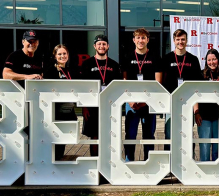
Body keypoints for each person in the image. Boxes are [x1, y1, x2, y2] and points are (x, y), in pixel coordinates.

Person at [120, 28, 163, 161]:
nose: (140, 40)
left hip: (149, 103)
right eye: (138, 38)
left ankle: (148, 162)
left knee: (149, 135)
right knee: (130, 134)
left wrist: (146, 102)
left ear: (147, 40)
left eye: (143, 38)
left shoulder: (155, 57)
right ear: (134, 40)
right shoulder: (127, 57)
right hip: (131, 103)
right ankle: (129, 162)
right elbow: (124, 81)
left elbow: (158, 83)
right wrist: (129, 101)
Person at [80, 34, 121, 156]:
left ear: (108, 46)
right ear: (94, 46)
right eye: (99, 44)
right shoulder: (87, 64)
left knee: (110, 134)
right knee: (94, 136)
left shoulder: (114, 65)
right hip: (92, 106)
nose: (101, 46)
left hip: (109, 106)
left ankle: (108, 162)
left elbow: (118, 87)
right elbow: (83, 88)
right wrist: (84, 107)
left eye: (104, 44)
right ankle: (95, 162)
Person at [162, 29, 203, 150]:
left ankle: (187, 162)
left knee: (187, 134)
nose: (181, 42)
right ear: (174, 41)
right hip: (171, 104)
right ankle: (170, 164)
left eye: (183, 39)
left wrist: (196, 110)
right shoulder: (167, 59)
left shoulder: (193, 59)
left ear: (186, 41)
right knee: (170, 135)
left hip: (188, 104)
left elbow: (197, 87)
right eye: (178, 39)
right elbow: (162, 83)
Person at [195, 49, 219, 161]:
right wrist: (196, 112)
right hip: (204, 116)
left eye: (214, 59)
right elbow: (195, 95)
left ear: (218, 60)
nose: (211, 62)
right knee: (205, 147)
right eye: (209, 60)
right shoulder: (201, 75)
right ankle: (206, 174)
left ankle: (218, 174)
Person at [44, 44, 78, 160]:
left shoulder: (71, 71)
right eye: (59, 54)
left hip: (68, 110)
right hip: (55, 112)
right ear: (55, 56)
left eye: (64, 53)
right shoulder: (50, 71)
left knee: (63, 140)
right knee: (54, 139)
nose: (62, 56)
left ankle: (58, 162)